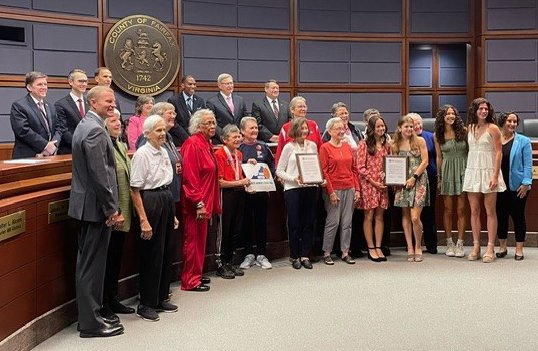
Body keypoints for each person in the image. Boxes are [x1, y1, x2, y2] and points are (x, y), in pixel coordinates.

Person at [68, 85, 124, 338]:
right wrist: (112, 209)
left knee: (89, 264)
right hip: (96, 209)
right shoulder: (94, 130)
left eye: (113, 100)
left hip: (88, 207)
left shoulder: (87, 125)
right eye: (108, 100)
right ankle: (90, 323)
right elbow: (100, 175)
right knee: (91, 266)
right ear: (92, 102)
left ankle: (92, 315)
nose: (113, 104)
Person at [130, 115, 179, 321]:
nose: (162, 134)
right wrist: (143, 219)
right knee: (152, 253)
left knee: (166, 250)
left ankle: (160, 297)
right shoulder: (142, 154)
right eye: (157, 131)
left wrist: (173, 215)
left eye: (163, 130)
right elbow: (135, 189)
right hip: (150, 200)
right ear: (147, 133)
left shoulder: (164, 152)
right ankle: (146, 303)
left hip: (166, 197)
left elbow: (166, 180)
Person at [180, 109, 221, 292]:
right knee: (193, 242)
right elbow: (190, 177)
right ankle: (190, 280)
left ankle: (196, 273)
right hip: (196, 204)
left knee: (200, 241)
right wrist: (199, 202)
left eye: (213, 122)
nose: (212, 126)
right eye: (208, 123)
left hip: (206, 201)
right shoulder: (192, 144)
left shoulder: (206, 143)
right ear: (197, 126)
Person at [462, 97, 506, 263]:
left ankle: (490, 247)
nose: (483, 111)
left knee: (490, 210)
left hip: (489, 171)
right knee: (474, 210)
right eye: (480, 108)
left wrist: (495, 175)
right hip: (473, 170)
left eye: (486, 109)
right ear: (474, 110)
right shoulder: (470, 127)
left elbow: (499, 152)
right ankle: (475, 246)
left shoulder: (493, 128)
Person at [101, 109, 135, 318]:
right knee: (106, 259)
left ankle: (112, 298)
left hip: (124, 212)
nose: (117, 124)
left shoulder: (121, 145)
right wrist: (116, 209)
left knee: (115, 258)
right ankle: (103, 302)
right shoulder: (104, 146)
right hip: (112, 213)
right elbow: (107, 181)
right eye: (112, 120)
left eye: (119, 121)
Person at [276, 117, 321, 270]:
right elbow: (279, 171)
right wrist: (293, 179)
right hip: (293, 189)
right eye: (302, 128)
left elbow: (315, 166)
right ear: (295, 130)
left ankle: (305, 255)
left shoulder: (313, 145)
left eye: (306, 128)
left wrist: (316, 178)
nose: (305, 131)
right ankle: (294, 255)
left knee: (309, 223)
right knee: (294, 223)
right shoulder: (289, 147)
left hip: (310, 187)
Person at [319, 117, 360, 265]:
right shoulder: (324, 148)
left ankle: (345, 252)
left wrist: (357, 189)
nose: (341, 131)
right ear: (329, 131)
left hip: (349, 187)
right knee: (333, 222)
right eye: (338, 129)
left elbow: (354, 170)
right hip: (333, 189)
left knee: (347, 222)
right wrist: (331, 192)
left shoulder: (348, 147)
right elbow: (324, 171)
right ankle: (327, 252)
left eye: (342, 128)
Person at [214, 124, 251, 278]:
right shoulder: (220, 154)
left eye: (239, 136)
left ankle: (230, 261)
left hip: (238, 194)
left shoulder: (239, 154)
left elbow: (240, 174)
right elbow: (220, 182)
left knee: (236, 229)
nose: (238, 139)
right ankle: (220, 263)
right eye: (234, 137)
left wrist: (251, 167)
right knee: (225, 229)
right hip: (226, 194)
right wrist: (240, 182)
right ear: (225, 139)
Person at [238, 117, 275, 270]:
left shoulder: (263, 146)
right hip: (244, 193)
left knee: (261, 222)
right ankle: (248, 254)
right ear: (242, 131)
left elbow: (271, 167)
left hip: (261, 192)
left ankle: (261, 253)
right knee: (246, 223)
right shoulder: (238, 148)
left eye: (255, 128)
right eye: (251, 128)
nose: (254, 131)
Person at [392, 115, 430, 262]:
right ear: (400, 128)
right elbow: (393, 163)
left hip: (418, 179)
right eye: (406, 126)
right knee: (406, 215)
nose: (409, 129)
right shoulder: (395, 143)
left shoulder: (420, 141)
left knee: (415, 217)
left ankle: (418, 245)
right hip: (402, 182)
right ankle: (409, 247)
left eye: (411, 126)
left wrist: (414, 177)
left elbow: (425, 161)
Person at [495, 111, 532, 261]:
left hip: (518, 187)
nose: (512, 124)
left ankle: (519, 249)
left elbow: (528, 165)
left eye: (515, 121)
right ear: (503, 122)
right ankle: (502, 247)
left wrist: (526, 183)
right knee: (501, 217)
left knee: (518, 217)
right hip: (499, 186)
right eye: (509, 121)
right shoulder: (495, 140)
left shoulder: (523, 141)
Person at [434, 105, 468, 258]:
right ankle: (449, 242)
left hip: (463, 170)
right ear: (443, 117)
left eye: (453, 113)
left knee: (461, 209)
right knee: (448, 210)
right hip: (447, 171)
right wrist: (439, 177)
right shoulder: (438, 135)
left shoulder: (464, 131)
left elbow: (470, 151)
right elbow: (439, 157)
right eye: (447, 114)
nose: (450, 116)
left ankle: (460, 243)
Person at [357, 115, 390, 262]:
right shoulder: (363, 144)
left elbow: (391, 164)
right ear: (371, 128)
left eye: (382, 126)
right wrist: (373, 181)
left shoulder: (387, 145)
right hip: (369, 185)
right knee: (369, 216)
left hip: (383, 185)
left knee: (379, 216)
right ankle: (370, 247)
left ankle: (378, 246)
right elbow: (360, 167)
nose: (381, 129)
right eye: (378, 126)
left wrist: (388, 179)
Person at [10, 71, 62, 159]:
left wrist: (53, 145)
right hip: (27, 157)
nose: (44, 87)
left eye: (45, 84)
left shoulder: (50, 106)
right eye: (40, 84)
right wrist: (45, 145)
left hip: (49, 156)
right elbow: (23, 131)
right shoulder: (19, 105)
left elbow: (58, 128)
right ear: (29, 87)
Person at [408, 113, 438, 254]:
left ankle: (431, 244)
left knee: (429, 211)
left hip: (430, 177)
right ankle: (414, 244)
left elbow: (437, 156)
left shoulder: (430, 136)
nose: (418, 126)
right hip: (411, 180)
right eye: (414, 124)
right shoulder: (405, 139)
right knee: (414, 214)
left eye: (419, 123)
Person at [275, 96, 322, 164]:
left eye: (304, 106)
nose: (303, 109)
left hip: (311, 167)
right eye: (300, 106)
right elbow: (280, 151)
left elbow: (320, 147)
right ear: (292, 110)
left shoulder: (313, 125)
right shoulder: (286, 127)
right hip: (292, 169)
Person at [55, 69, 89, 154]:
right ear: (71, 82)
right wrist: (81, 145)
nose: (84, 84)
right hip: (70, 151)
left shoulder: (91, 102)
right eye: (80, 81)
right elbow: (63, 131)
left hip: (90, 150)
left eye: (85, 81)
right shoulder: (61, 104)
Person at [206, 73, 248, 142]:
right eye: (227, 84)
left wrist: (241, 134)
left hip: (239, 139)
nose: (230, 86)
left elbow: (245, 119)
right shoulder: (212, 102)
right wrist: (225, 137)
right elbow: (212, 123)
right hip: (222, 140)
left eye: (231, 83)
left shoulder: (240, 100)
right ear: (219, 86)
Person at [167, 75, 206, 146]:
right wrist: (187, 137)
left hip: (197, 141)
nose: (193, 86)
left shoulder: (200, 101)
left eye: (194, 84)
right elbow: (174, 123)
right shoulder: (173, 100)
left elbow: (203, 120)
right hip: (180, 141)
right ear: (182, 85)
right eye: (190, 84)